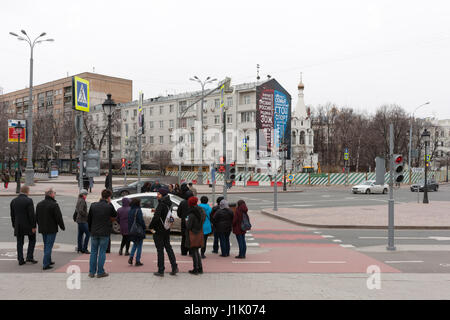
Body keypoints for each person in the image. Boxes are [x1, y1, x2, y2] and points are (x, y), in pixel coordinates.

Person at [88, 189, 117, 278]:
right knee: (102, 252)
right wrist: (110, 203)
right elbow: (115, 215)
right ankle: (100, 272)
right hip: (104, 233)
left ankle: (91, 272)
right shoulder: (109, 206)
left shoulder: (93, 206)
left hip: (94, 232)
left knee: (93, 252)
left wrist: (90, 230)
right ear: (109, 197)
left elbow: (89, 219)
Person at [149, 188, 178, 277]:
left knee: (160, 250)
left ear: (162, 195)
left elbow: (156, 217)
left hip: (159, 230)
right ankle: (174, 267)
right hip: (166, 228)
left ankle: (161, 270)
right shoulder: (169, 203)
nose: (157, 195)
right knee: (168, 248)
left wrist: (150, 226)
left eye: (159, 194)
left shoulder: (161, 204)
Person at [36, 188, 65, 270]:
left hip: (43, 228)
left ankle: (48, 260)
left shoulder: (39, 204)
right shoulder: (54, 205)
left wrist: (39, 225)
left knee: (46, 245)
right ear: (51, 194)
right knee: (49, 246)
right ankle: (45, 264)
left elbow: (37, 217)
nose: (55, 194)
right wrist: (62, 226)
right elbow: (58, 217)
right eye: (54, 193)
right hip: (51, 228)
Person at [10, 185, 37, 266]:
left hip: (18, 225)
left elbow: (12, 215)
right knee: (32, 240)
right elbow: (31, 215)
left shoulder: (13, 201)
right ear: (27, 191)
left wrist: (14, 225)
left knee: (19, 242)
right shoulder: (29, 200)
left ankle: (20, 259)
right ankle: (29, 257)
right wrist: (33, 226)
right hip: (28, 225)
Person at [185, 196, 206, 275]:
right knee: (197, 251)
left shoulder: (191, 214)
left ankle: (195, 269)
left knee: (194, 252)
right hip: (199, 232)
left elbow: (188, 226)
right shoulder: (201, 211)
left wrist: (186, 221)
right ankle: (200, 268)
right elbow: (203, 219)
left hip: (192, 234)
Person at [127, 198, 146, 267]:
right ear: (138, 203)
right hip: (138, 231)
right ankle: (137, 260)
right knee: (139, 245)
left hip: (132, 230)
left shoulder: (130, 210)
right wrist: (144, 227)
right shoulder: (138, 210)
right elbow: (140, 221)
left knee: (135, 244)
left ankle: (131, 257)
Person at [177, 183, 194, 256]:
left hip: (184, 221)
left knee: (184, 237)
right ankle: (191, 251)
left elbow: (179, 213)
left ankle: (184, 251)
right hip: (192, 222)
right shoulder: (193, 203)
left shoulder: (182, 202)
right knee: (191, 237)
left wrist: (182, 217)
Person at [75, 189, 90, 254]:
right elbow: (81, 211)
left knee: (80, 234)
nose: (86, 196)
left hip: (79, 220)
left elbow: (77, 210)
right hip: (82, 220)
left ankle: (79, 248)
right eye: (85, 195)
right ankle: (84, 248)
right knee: (88, 234)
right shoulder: (82, 201)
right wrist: (87, 215)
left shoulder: (79, 200)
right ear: (83, 194)